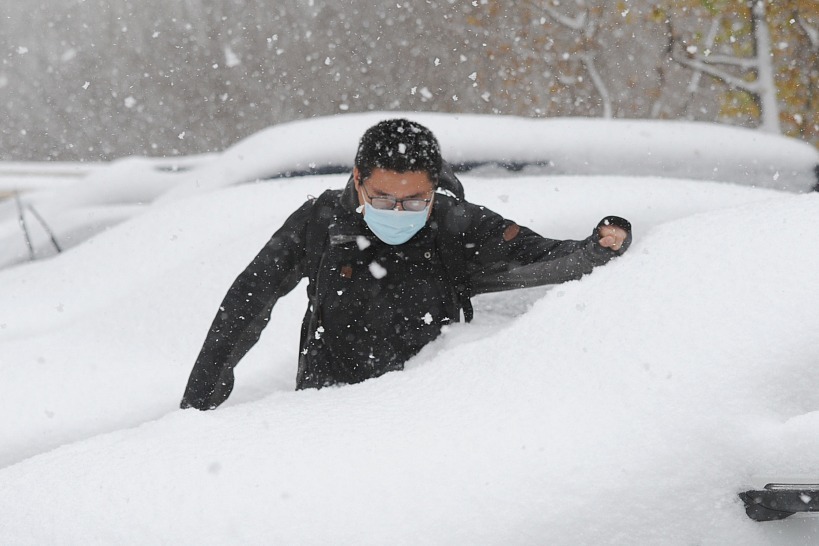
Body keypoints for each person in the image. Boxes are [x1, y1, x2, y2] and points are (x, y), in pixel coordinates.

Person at [181, 118, 631, 410]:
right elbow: (245, 303)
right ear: (358, 180)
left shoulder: (457, 223)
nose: (397, 212)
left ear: (434, 187)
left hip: (423, 409)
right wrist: (199, 404)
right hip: (321, 413)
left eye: (414, 200)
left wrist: (598, 247)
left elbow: (539, 256)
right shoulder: (321, 222)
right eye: (381, 198)